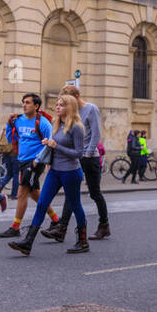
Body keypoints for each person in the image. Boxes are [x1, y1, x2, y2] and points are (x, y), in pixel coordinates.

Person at [8, 94, 90, 254]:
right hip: (54, 171)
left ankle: (82, 241)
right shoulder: (56, 124)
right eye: (57, 105)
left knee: (75, 205)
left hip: (71, 172)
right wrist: (40, 157)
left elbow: (79, 154)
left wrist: (56, 145)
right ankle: (28, 242)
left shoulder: (76, 127)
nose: (57, 107)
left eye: (61, 105)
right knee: (41, 204)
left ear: (70, 108)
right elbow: (51, 146)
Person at [45, 86, 111, 241]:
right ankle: (61, 228)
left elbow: (96, 134)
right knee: (71, 194)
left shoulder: (91, 109)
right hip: (75, 157)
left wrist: (87, 154)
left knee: (95, 193)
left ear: (76, 96)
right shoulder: (71, 112)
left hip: (90, 157)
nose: (65, 103)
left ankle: (104, 225)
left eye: (68, 99)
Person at [0, 94, 59, 238]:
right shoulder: (18, 121)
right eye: (23, 102)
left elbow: (50, 143)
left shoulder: (43, 123)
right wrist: (9, 124)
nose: (24, 105)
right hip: (22, 161)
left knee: (21, 192)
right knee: (34, 193)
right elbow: (10, 138)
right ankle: (56, 219)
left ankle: (15, 227)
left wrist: (39, 159)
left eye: (27, 103)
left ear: (36, 106)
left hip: (35, 162)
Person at [0, 111, 20, 199]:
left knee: (9, 173)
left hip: (6, 153)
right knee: (15, 175)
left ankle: (1, 185)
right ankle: (14, 194)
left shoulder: (6, 127)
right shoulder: (18, 128)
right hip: (14, 153)